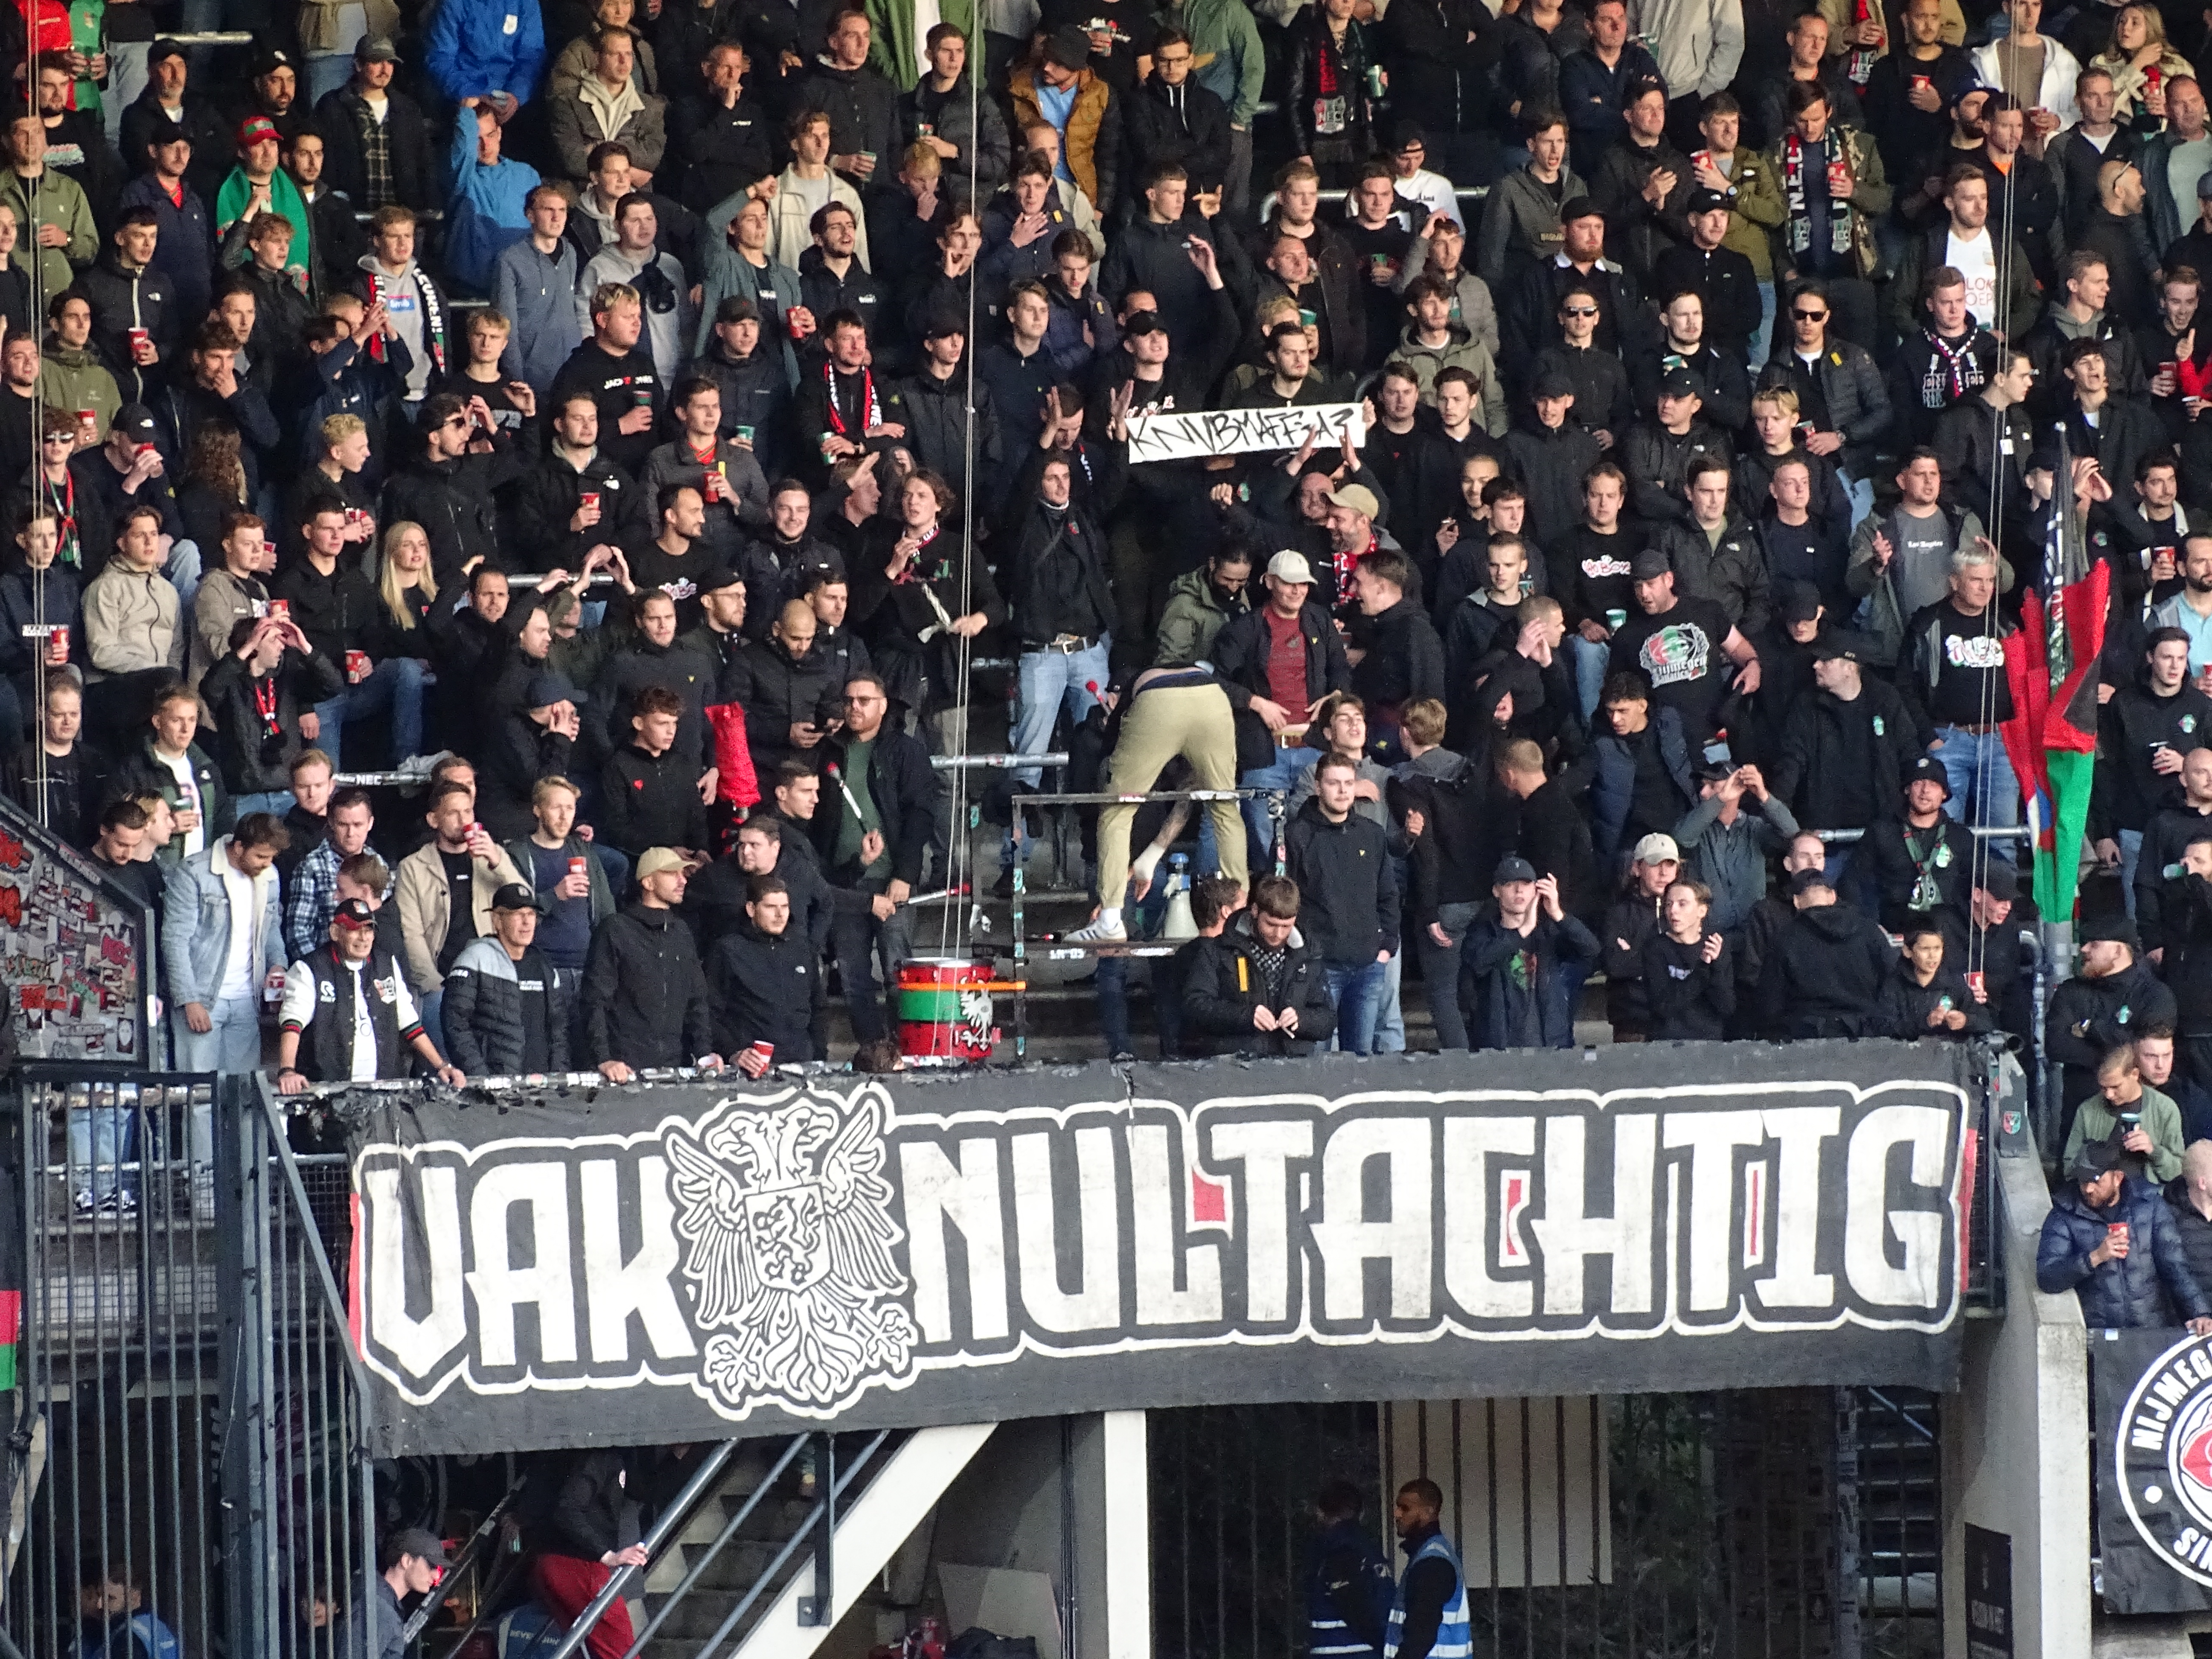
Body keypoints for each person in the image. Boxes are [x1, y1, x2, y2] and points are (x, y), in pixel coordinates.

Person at [815, 673, 940, 1042]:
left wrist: (905, 874)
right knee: (853, 978)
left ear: (883, 706)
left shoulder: (906, 750)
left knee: (897, 974)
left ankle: (904, 1049)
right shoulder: (830, 752)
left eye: (864, 700)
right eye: (850, 700)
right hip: (845, 881)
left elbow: (921, 814)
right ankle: (873, 1052)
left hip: (891, 880)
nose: (854, 706)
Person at [393, 779, 529, 1060]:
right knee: (446, 1064)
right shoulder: (413, 867)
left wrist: (496, 860)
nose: (463, 820)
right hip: (442, 980)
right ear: (434, 820)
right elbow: (412, 935)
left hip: (490, 978)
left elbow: (525, 900)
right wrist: (434, 984)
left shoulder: (491, 856)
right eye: (454, 813)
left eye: (468, 812)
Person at [163, 811, 288, 1089]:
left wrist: (277, 965)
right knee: (200, 1098)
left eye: (271, 858)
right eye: (261, 857)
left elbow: (272, 928)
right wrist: (189, 999)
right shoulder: (193, 871)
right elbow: (175, 940)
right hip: (204, 998)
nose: (267, 864)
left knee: (246, 1096)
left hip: (247, 999)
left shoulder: (270, 876)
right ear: (239, 847)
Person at [2036, 1136, 2212, 1333]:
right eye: (2082, 1180)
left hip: (2150, 1332)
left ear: (2118, 1178)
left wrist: (2200, 1313)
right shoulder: (2064, 1214)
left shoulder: (2150, 1205)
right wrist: (2094, 1258)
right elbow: (2047, 1278)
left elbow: (2175, 1266)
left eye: (2096, 1180)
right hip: (2099, 1337)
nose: (2088, 1188)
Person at [580, 845, 723, 1080]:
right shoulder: (615, 929)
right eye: (671, 874)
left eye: (683, 875)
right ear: (648, 883)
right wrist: (603, 1059)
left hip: (674, 1068)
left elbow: (697, 1002)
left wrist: (704, 1053)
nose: (683, 881)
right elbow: (594, 1000)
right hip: (623, 1071)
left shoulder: (682, 932)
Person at [2046, 914, 2178, 1135]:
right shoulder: (2071, 991)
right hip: (2080, 1117)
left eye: (2095, 944)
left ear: (2118, 951)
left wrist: (2090, 1029)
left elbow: (2147, 1049)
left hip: (2138, 1120)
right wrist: (2118, 1054)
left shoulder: (2155, 995)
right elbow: (2056, 1045)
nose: (2084, 950)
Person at [1182, 873, 1339, 1057]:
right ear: (1255, 911)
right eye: (1271, 924)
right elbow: (1194, 1006)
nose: (1279, 934)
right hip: (1236, 1066)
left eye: (1287, 926)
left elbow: (1328, 1019)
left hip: (1293, 1067)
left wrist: (1301, 1020)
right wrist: (1246, 1016)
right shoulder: (1218, 950)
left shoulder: (1309, 955)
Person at [442, 883, 574, 1077]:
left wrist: (557, 1078)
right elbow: (456, 1026)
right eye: (518, 914)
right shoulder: (475, 958)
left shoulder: (543, 965)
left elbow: (559, 1030)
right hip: (494, 1093)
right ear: (497, 920)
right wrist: (483, 1078)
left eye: (531, 914)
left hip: (544, 1093)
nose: (527, 922)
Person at [1466, 859, 1598, 1048]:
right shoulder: (1483, 934)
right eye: (1510, 884)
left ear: (1536, 890)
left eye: (1526, 884)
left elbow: (1591, 951)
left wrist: (1558, 914)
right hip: (1499, 1052)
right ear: (1497, 891)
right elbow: (1479, 964)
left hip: (1551, 1046)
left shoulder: (1549, 934)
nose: (1519, 890)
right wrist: (1522, 931)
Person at [1755, 866, 1896, 1038]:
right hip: (1866, 1034)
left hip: (1806, 1039)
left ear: (1797, 902)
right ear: (1833, 897)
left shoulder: (1785, 939)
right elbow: (1893, 984)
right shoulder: (1870, 931)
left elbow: (1770, 1004)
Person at [705, 873, 823, 1065]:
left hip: (801, 1065)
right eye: (771, 907)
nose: (780, 915)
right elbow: (709, 1011)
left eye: (785, 907)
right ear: (751, 909)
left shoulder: (802, 948)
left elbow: (818, 1006)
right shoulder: (728, 950)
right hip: (751, 1068)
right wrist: (733, 1052)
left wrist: (818, 1056)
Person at [2063, 1041, 2189, 1185]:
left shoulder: (2165, 1109)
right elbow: (2069, 1169)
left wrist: (2153, 1150)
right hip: (2101, 1195)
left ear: (2135, 1074)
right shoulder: (2087, 1111)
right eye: (2104, 1088)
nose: (2109, 1095)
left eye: (2115, 1087)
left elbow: (2177, 1173)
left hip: (2149, 1198)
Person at [1307, 1481, 1394, 1659]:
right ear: (1361, 1513)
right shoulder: (1370, 1551)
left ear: (1320, 1512)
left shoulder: (1337, 1551)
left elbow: (1354, 1608)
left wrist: (1382, 1644)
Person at [1874, 921, 1992, 1041]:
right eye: (1925, 949)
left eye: (1937, 948)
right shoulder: (1894, 985)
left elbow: (1986, 1021)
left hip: (1948, 1056)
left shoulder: (1954, 984)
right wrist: (1926, 1023)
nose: (1933, 956)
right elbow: (1882, 1027)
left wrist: (1966, 1021)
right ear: (1907, 951)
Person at [342, 1531, 450, 1659]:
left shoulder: (376, 1600)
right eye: (431, 1566)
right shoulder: (380, 1609)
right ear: (407, 1561)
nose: (437, 1575)